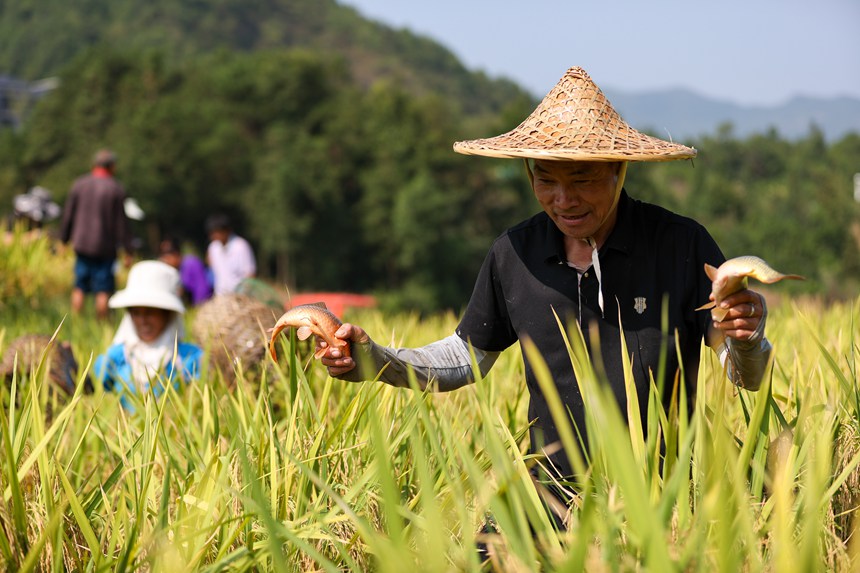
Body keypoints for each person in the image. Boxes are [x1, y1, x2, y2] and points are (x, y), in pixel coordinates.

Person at [317, 67, 772, 513]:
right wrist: (375, 360)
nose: (564, 200)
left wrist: (746, 337)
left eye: (582, 179)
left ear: (618, 171)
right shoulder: (515, 252)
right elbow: (464, 358)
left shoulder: (680, 245)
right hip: (550, 490)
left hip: (665, 492)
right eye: (546, 180)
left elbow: (742, 375)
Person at [93, 260, 203, 412]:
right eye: (136, 313)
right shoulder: (116, 358)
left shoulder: (189, 359)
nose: (142, 321)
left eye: (150, 313)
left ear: (167, 315)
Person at [60, 149, 134, 321]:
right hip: (105, 247)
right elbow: (122, 223)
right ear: (112, 166)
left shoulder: (79, 184)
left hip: (82, 244)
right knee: (103, 289)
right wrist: (128, 249)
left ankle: (75, 323)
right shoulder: (116, 189)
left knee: (79, 285)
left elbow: (68, 215)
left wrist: (63, 240)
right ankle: (101, 326)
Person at [205, 213, 256, 295]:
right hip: (220, 296)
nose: (214, 235)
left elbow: (250, 274)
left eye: (217, 232)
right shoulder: (213, 248)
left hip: (239, 296)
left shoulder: (241, 246)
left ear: (226, 230)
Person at [158, 236, 213, 306]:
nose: (165, 261)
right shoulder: (175, 270)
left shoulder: (191, 263)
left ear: (176, 254)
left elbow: (202, 291)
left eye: (166, 257)